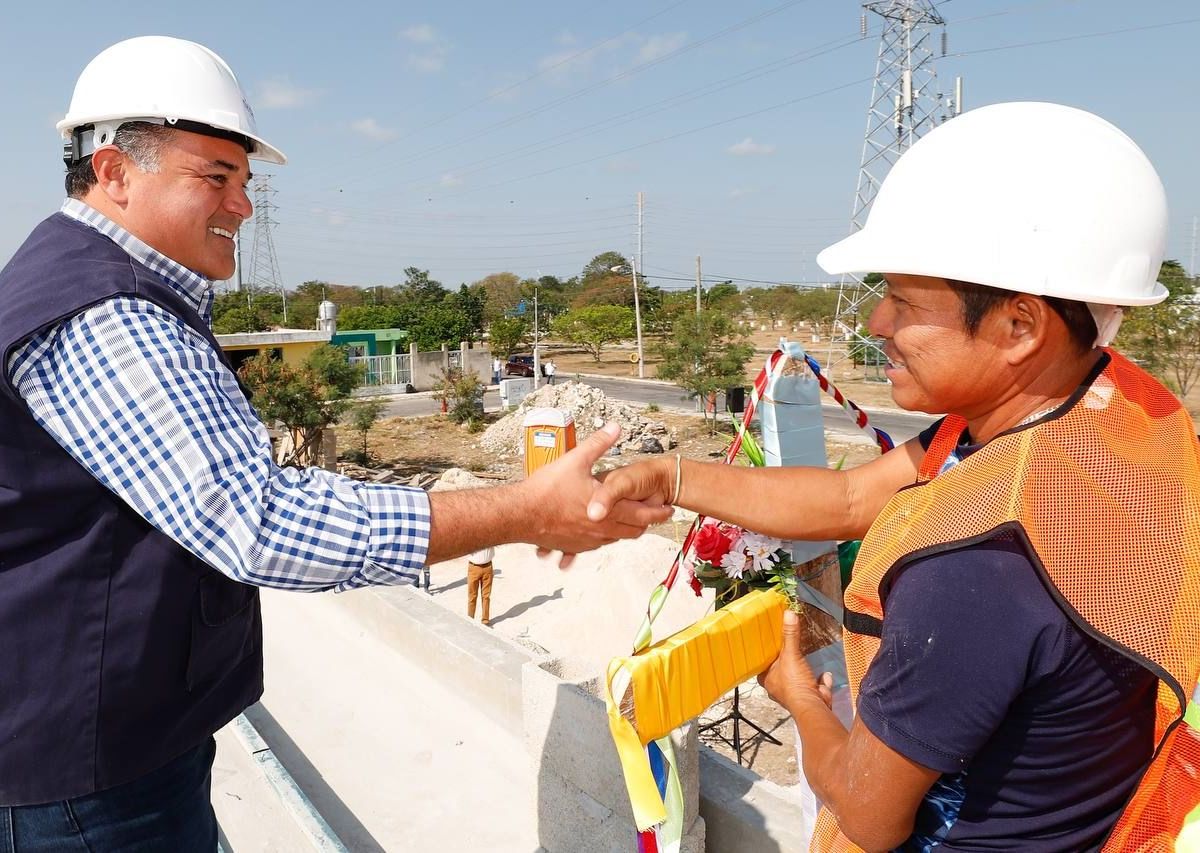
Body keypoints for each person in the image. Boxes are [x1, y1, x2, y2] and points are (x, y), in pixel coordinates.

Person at [0, 36, 669, 851]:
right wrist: (523, 509)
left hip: (103, 749)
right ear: (113, 172)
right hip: (86, 785)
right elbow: (261, 523)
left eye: (245, 181)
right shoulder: (108, 314)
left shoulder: (104, 285)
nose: (242, 205)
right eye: (215, 177)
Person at [590, 102, 1200, 851]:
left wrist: (798, 700)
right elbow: (849, 497)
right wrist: (672, 475)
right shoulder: (1105, 418)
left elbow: (869, 814)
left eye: (903, 301)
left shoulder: (981, 568)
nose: (875, 323)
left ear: (1021, 326)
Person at [466, 546, 496, 626]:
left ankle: (485, 621)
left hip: (488, 566)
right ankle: (470, 619)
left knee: (486, 596)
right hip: (474, 567)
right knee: (472, 596)